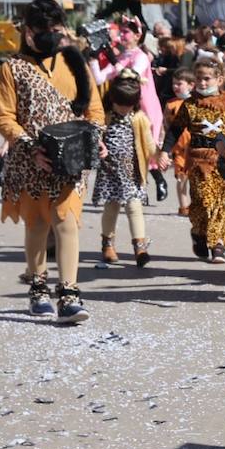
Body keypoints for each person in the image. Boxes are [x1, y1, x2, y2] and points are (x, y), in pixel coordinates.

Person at [0, 0, 105, 323]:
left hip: (71, 159)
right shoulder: (12, 68)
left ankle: (68, 293)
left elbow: (94, 110)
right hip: (30, 160)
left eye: (55, 30)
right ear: (27, 32)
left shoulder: (75, 64)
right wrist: (30, 147)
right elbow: (3, 116)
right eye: (42, 30)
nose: (49, 36)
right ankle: (38, 287)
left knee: (66, 222)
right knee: (38, 224)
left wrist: (95, 138)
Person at [157, 57, 225, 264]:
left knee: (224, 204)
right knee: (203, 203)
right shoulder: (190, 105)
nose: (202, 83)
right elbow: (176, 130)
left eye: (207, 79)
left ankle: (218, 245)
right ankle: (199, 233)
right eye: (199, 79)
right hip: (199, 161)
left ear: (220, 79)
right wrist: (165, 152)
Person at [90, 16, 167, 202]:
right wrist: (93, 57)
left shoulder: (141, 57)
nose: (122, 35)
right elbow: (100, 78)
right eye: (122, 31)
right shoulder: (123, 56)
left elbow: (133, 76)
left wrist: (112, 59)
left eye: (126, 32)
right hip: (126, 106)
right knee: (131, 148)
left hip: (145, 108)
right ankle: (144, 188)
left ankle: (157, 181)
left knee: (145, 146)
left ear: (138, 35)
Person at [92, 71, 156, 268]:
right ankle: (107, 244)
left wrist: (158, 156)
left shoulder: (138, 118)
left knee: (134, 207)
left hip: (132, 173)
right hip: (110, 172)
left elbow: (148, 143)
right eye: (121, 104)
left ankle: (140, 246)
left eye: (129, 105)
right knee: (111, 207)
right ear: (112, 100)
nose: (124, 109)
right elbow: (95, 138)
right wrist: (98, 148)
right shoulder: (105, 117)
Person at [165, 67, 195, 217]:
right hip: (179, 149)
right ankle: (183, 206)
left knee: (196, 178)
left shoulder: (196, 103)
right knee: (181, 178)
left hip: (195, 148)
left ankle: (195, 205)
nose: (175, 87)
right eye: (174, 84)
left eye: (179, 84)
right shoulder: (170, 104)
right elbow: (166, 125)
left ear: (191, 85)